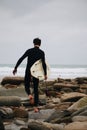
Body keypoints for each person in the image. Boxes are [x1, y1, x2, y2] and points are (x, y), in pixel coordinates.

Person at [13, 38, 47, 112]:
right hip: (36, 72)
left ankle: (29, 95)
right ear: (40, 44)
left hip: (28, 70)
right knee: (35, 88)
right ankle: (35, 107)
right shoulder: (42, 52)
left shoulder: (29, 50)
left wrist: (16, 67)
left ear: (33, 43)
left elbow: (21, 59)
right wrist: (45, 74)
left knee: (26, 85)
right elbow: (43, 63)